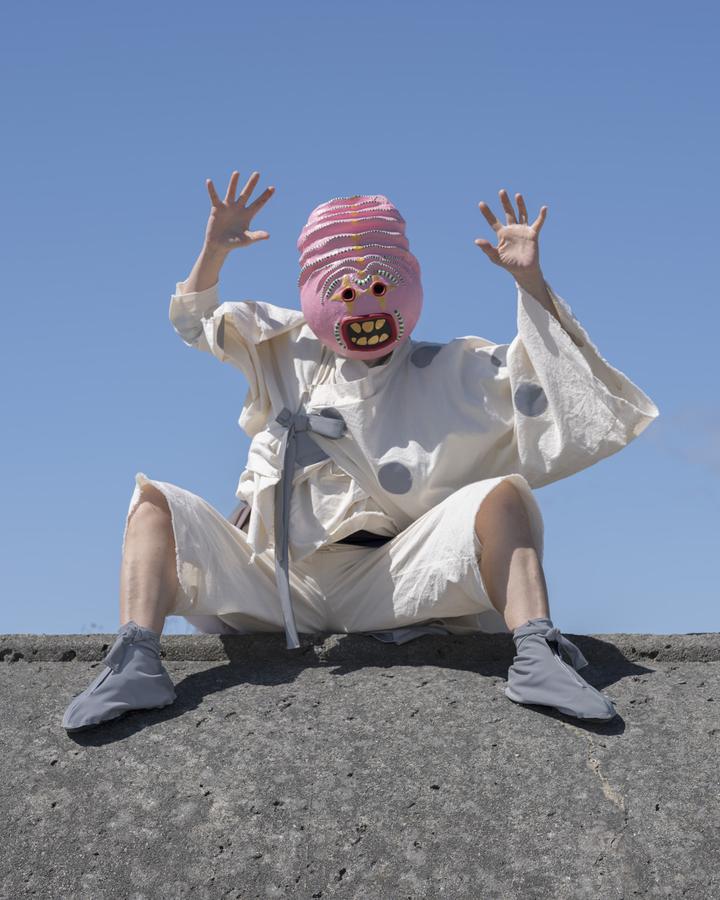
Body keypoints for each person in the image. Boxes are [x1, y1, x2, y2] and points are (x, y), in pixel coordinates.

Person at [62, 170, 659, 733]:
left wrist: (530, 282)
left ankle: (536, 652)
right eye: (344, 289)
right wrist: (214, 250)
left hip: (388, 580)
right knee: (153, 504)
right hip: (274, 580)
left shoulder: (449, 369)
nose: (363, 302)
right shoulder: (281, 344)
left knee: (501, 497)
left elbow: (557, 384)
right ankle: (136, 660)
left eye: (377, 285)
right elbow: (196, 324)